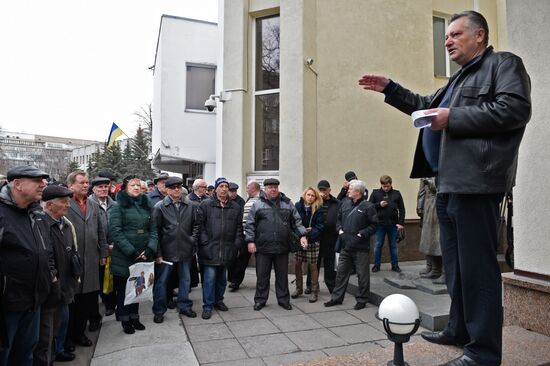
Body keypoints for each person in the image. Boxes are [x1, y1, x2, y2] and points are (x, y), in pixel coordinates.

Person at [358, 10, 531, 366]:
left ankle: (483, 352)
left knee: (478, 268)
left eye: (455, 34)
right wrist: (390, 89)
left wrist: (454, 117)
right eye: (445, 36)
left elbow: (514, 109)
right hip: (448, 184)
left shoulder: (503, 64)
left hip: (477, 183)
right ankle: (459, 329)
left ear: (479, 35)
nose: (447, 40)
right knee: (456, 267)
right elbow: (426, 107)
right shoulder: (458, 80)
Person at [0, 166, 53, 366]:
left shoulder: (36, 213)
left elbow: (44, 251)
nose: (44, 184)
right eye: (37, 180)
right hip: (7, 306)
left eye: (44, 180)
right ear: (18, 184)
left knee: (25, 355)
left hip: (33, 301)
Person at [245, 178, 308, 311]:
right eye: (270, 187)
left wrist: (302, 235)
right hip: (263, 248)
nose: (273, 189)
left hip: (281, 247)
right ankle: (260, 300)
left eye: (275, 187)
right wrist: (250, 241)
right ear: (265, 189)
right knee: (262, 277)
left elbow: (297, 222)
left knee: (282, 276)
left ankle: (284, 300)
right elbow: (250, 224)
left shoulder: (287, 203)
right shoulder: (258, 204)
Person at [36, 184, 79, 365]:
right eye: (63, 201)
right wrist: (54, 279)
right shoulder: (41, 224)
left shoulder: (66, 225)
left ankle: (57, 352)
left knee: (60, 327)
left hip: (64, 288)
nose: (68, 205)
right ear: (49, 205)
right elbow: (46, 258)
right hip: (51, 291)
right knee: (46, 334)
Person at [109, 175, 158, 334]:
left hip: (144, 254)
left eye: (138, 185)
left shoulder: (147, 206)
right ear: (125, 188)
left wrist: (150, 249)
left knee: (139, 288)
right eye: (132, 185)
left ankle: (135, 317)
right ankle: (125, 320)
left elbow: (154, 230)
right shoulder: (118, 207)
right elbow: (116, 232)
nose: (136, 188)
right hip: (126, 256)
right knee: (124, 290)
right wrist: (132, 252)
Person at [66, 170, 108, 348]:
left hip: (92, 257)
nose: (86, 185)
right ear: (71, 185)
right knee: (72, 302)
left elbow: (100, 231)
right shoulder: (65, 203)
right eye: (82, 182)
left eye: (86, 182)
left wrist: (103, 253)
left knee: (88, 300)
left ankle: (80, 334)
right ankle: (68, 338)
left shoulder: (92, 204)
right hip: (71, 259)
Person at [324, 180, 377, 310]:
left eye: (351, 189)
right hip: (345, 246)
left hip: (361, 247)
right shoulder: (345, 203)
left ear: (358, 192)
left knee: (362, 275)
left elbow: (374, 225)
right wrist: (340, 230)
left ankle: (362, 299)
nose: (348, 191)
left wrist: (362, 234)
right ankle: (336, 298)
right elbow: (338, 220)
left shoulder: (368, 206)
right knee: (341, 273)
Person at [152, 177, 200, 323]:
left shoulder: (190, 205)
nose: (177, 190)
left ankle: (184, 305)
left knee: (185, 280)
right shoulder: (159, 207)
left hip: (185, 250)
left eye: (179, 187)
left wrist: (192, 240)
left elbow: (196, 226)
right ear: (167, 190)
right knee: (161, 282)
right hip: (167, 252)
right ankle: (159, 310)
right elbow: (155, 232)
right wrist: (158, 253)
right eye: (173, 187)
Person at [197, 177, 244, 319]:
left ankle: (219, 301)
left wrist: (237, 243)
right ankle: (208, 305)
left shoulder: (235, 207)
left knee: (222, 279)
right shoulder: (206, 205)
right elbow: (200, 226)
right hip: (209, 248)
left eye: (226, 186)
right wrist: (204, 242)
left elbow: (239, 228)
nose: (224, 188)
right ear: (216, 189)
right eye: (221, 186)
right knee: (209, 278)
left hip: (227, 248)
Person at [88, 177, 117, 319]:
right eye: (100, 187)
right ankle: (108, 305)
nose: (103, 189)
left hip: (115, 247)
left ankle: (114, 302)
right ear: (93, 189)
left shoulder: (114, 204)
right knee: (101, 279)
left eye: (106, 186)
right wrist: (104, 248)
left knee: (114, 277)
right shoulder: (89, 204)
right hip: (98, 250)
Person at [291, 187, 325, 303]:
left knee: (313, 266)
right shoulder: (298, 206)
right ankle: (299, 289)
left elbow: (320, 226)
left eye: (312, 196)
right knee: (297, 264)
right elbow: (294, 223)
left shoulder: (319, 208)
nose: (310, 197)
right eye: (308, 195)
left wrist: (309, 235)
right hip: (300, 239)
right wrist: (302, 235)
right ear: (304, 195)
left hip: (313, 240)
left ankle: (314, 291)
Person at [306, 180, 339, 293]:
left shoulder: (336, 203)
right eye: (320, 190)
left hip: (330, 238)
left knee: (329, 264)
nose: (322, 192)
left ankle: (331, 286)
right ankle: (310, 286)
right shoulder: (314, 201)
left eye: (324, 190)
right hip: (316, 237)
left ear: (329, 190)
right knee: (314, 263)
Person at [228, 180, 261, 292]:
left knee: (260, 261)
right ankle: (235, 282)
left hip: (258, 237)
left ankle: (261, 283)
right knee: (242, 259)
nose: (246, 190)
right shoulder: (249, 200)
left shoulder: (261, 200)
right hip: (245, 236)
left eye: (247, 187)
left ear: (253, 188)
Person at [368, 175, 406, 273]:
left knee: (393, 246)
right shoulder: (375, 193)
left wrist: (400, 223)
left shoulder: (396, 194)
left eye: (387, 186)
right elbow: (369, 207)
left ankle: (395, 265)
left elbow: (402, 209)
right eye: (384, 186)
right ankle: (376, 265)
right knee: (377, 245)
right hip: (379, 224)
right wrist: (379, 205)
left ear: (391, 184)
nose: (385, 188)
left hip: (393, 225)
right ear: (381, 184)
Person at [417, 177, 444, 282]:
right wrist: (420, 207)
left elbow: (438, 187)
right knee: (429, 240)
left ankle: (442, 271)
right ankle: (433, 268)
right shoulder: (425, 170)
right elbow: (422, 191)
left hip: (435, 206)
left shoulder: (437, 167)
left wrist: (429, 181)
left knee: (437, 240)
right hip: (428, 206)